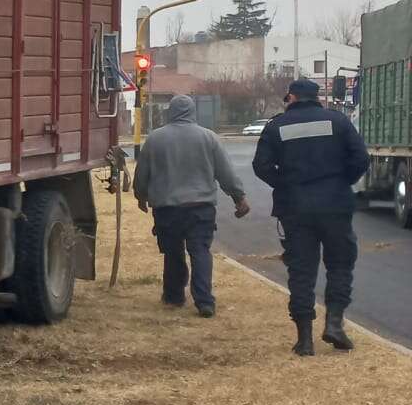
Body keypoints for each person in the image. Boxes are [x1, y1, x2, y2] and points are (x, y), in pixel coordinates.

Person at [252, 78, 370, 356]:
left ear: (291, 97)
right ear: (317, 98)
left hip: (295, 208)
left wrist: (284, 184)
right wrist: (342, 181)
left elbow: (261, 166)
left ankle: (304, 338)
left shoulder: (276, 127)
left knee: (301, 271)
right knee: (340, 265)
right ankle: (335, 324)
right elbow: (361, 158)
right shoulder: (338, 122)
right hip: (335, 205)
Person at [134, 94, 251, 317]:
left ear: (170, 112)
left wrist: (141, 196)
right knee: (200, 251)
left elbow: (142, 173)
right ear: (192, 112)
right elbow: (225, 172)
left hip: (167, 208)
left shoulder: (155, 139)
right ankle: (205, 301)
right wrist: (239, 197)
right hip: (201, 207)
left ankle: (173, 295)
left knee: (173, 252)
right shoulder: (209, 137)